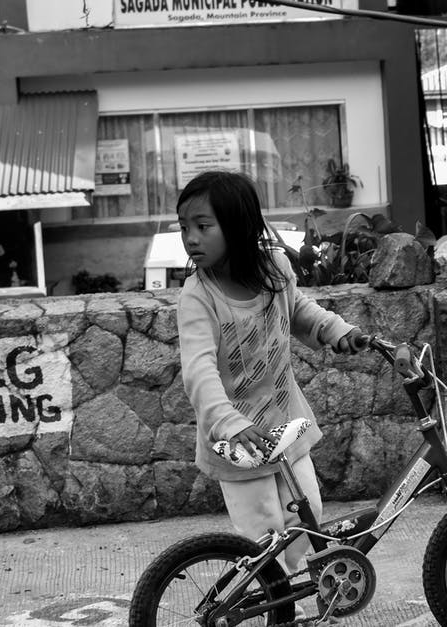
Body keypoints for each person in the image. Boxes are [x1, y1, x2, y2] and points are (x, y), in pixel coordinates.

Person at [176, 169, 364, 582]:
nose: (190, 238)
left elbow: (298, 310)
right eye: (185, 227)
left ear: (239, 226)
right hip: (239, 444)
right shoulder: (198, 297)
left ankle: (292, 596)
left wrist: (338, 331)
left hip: (286, 428)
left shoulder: (275, 269)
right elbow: (199, 369)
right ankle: (267, 605)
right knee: (263, 542)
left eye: (203, 227)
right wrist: (229, 422)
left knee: (308, 524)